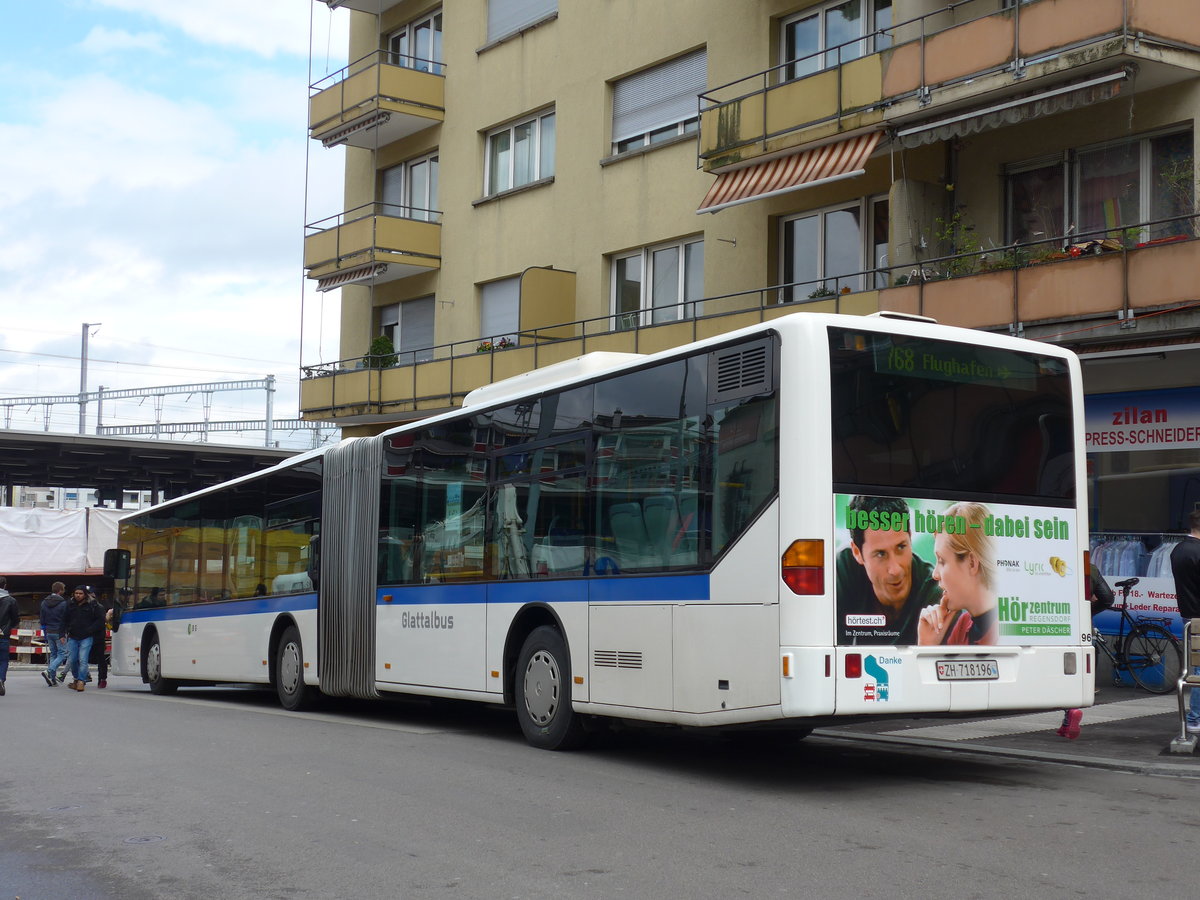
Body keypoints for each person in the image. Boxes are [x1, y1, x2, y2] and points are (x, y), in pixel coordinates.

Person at [836, 495, 942, 644]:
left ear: (910, 538)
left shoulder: (936, 594)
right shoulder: (841, 572)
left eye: (901, 547)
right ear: (857, 553)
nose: (895, 570)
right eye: (880, 554)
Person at [918, 501, 998, 645]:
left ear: (972, 563)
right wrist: (926, 645)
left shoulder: (1007, 631)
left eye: (942, 560)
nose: (935, 574)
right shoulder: (964, 624)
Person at [1171, 509, 1200, 735]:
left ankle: (1194, 718)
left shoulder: (1178, 550)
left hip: (1187, 616)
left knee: (1195, 669)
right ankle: (1195, 718)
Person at [59, 585, 104, 692]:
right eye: (76, 593)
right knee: (73, 660)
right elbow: (64, 620)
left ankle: (81, 681)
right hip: (73, 636)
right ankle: (76, 678)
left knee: (83, 659)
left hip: (86, 636)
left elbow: (100, 620)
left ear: (85, 594)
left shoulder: (93, 605)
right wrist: (61, 634)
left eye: (80, 593)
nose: (78, 595)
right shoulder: (69, 604)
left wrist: (90, 630)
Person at [39, 581, 69, 686]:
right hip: (59, 632)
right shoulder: (63, 603)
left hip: (48, 631)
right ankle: (49, 671)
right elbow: (65, 619)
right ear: (60, 590)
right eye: (63, 589)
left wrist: (44, 630)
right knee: (63, 654)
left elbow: (42, 619)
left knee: (53, 654)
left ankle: (52, 678)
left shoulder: (44, 602)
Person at [87, 592, 110, 689]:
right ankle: (101, 679)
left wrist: (88, 630)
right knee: (99, 659)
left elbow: (100, 622)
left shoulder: (97, 607)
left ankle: (102, 679)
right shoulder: (84, 607)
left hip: (96, 636)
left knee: (98, 659)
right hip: (95, 636)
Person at [0, 576, 18, 697]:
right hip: (3, 634)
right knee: (3, 660)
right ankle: (1, 679)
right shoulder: (11, 601)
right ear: (5, 585)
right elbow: (16, 619)